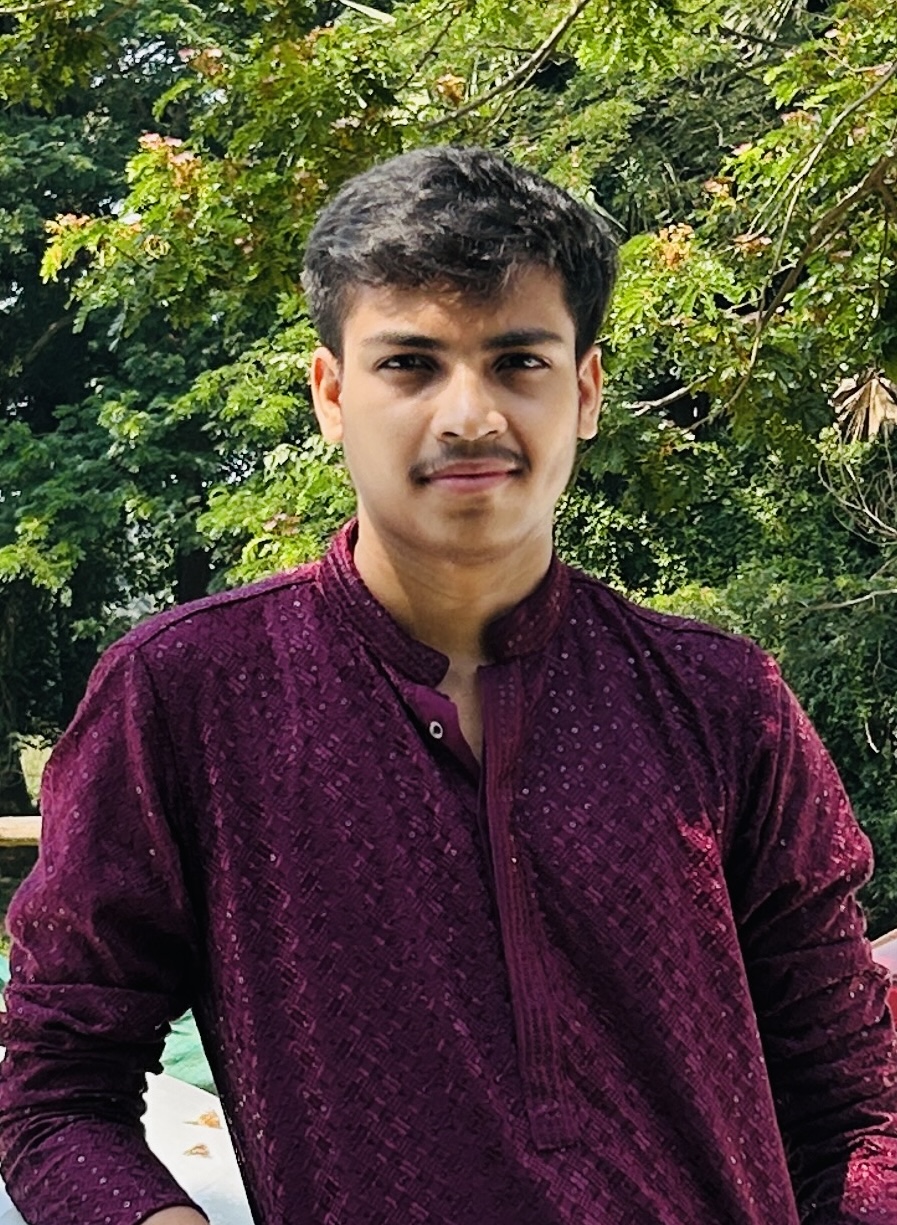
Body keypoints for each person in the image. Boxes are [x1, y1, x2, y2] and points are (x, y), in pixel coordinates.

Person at [0, 145, 895, 1225]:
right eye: (410, 364)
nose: (469, 415)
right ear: (332, 393)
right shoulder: (188, 699)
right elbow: (53, 1094)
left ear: (585, 389)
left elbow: (858, 1102)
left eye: (518, 361)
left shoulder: (718, 701)